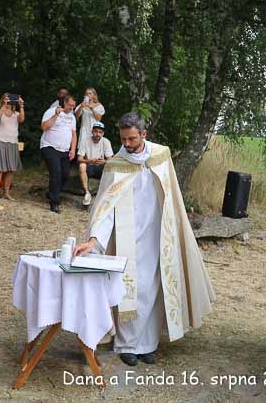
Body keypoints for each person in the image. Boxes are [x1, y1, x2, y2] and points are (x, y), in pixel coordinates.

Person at [73, 112, 215, 366]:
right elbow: (105, 208)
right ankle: (127, 345)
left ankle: (148, 344)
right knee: (130, 288)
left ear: (144, 135)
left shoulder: (161, 156)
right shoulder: (116, 164)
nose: (126, 144)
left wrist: (175, 229)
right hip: (126, 236)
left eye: (132, 139)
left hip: (158, 234)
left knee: (154, 288)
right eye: (123, 139)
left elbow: (172, 196)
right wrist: (94, 240)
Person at [40, 95, 77, 213]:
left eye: (73, 106)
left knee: (65, 174)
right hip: (49, 146)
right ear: (64, 103)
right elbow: (44, 127)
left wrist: (73, 149)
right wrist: (56, 115)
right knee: (56, 173)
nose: (71, 108)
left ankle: (52, 192)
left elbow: (74, 134)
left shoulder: (72, 117)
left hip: (65, 149)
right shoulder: (51, 111)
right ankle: (54, 202)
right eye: (70, 105)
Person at [0, 94, 25, 201]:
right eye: (7, 99)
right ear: (3, 100)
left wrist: (21, 106)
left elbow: (21, 119)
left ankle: (6, 193)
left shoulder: (16, 113)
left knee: (11, 169)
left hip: (12, 142)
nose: (10, 101)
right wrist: (4, 105)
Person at [76, 121, 113, 206]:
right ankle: (87, 193)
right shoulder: (85, 141)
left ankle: (108, 194)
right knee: (82, 165)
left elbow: (111, 160)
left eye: (100, 132)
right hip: (90, 166)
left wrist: (104, 161)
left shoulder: (106, 142)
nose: (98, 134)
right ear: (92, 131)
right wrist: (89, 161)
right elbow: (79, 159)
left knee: (111, 166)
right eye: (96, 131)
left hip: (101, 167)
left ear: (103, 133)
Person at [75, 87, 105, 155]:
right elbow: (76, 117)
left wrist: (92, 109)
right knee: (83, 151)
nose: (88, 95)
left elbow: (98, 119)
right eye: (86, 93)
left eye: (90, 93)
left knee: (95, 149)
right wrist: (81, 107)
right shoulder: (82, 105)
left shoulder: (99, 106)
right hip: (84, 130)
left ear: (94, 95)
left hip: (95, 130)